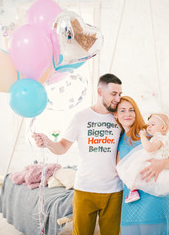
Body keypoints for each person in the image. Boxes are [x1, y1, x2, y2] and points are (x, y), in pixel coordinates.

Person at [32, 73, 123, 235]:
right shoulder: (81, 117)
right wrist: (48, 142)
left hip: (113, 190)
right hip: (85, 189)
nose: (117, 98)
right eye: (113, 94)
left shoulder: (120, 118)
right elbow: (62, 147)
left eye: (120, 94)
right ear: (100, 92)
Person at [115, 96, 169, 235]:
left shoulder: (149, 132)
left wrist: (162, 163)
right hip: (131, 200)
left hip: (153, 199)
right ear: (116, 114)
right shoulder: (118, 139)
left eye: (131, 110)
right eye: (122, 110)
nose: (127, 114)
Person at [116, 113, 169, 205]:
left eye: (152, 125)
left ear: (163, 128)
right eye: (148, 125)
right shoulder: (166, 139)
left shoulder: (159, 139)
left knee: (134, 167)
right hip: (163, 167)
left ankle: (133, 191)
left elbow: (149, 148)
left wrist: (143, 137)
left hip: (152, 162)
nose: (149, 127)